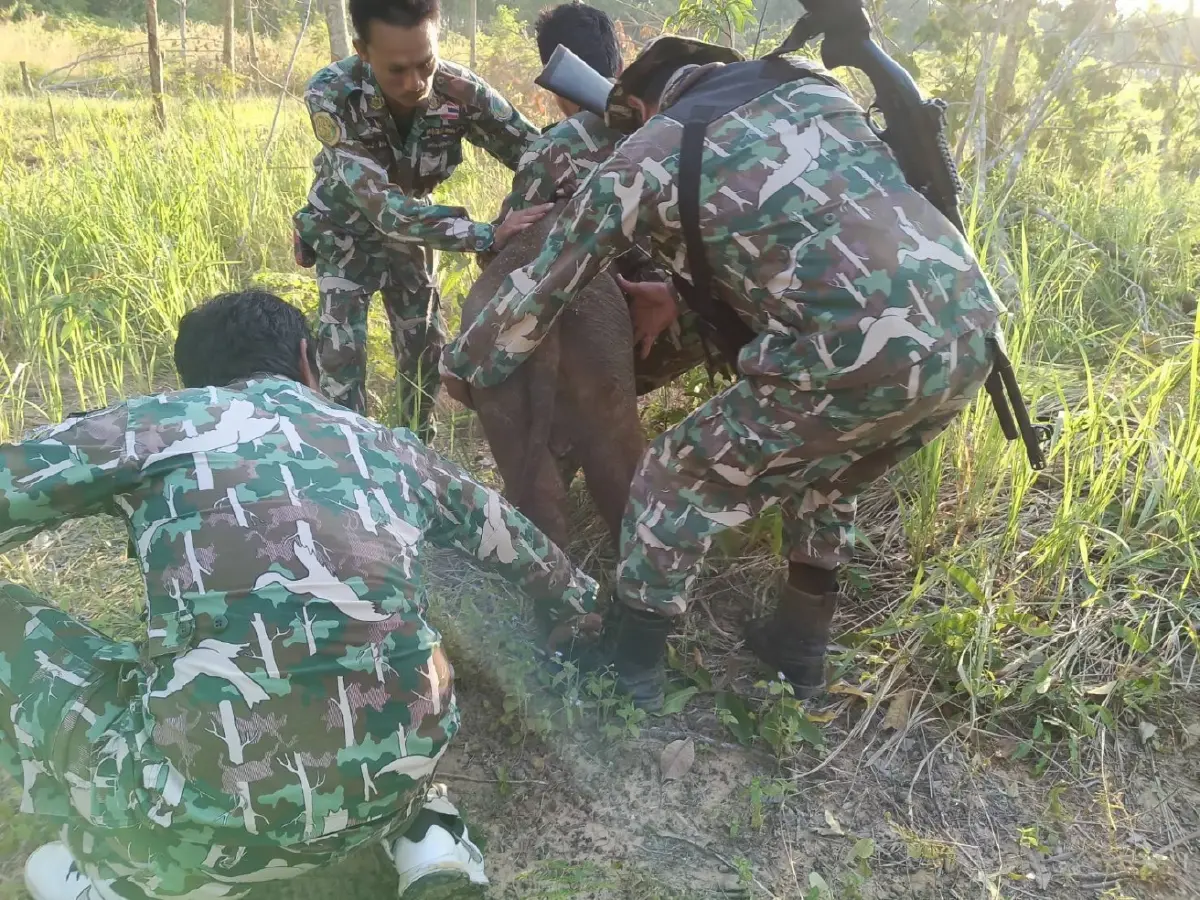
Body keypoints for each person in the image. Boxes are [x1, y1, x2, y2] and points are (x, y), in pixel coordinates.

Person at [441, 37, 1002, 710]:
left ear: (643, 105)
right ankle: (800, 639)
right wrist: (680, 296)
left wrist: (466, 362)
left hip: (854, 350)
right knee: (827, 459)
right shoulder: (808, 85)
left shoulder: (652, 146)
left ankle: (628, 670)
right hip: (969, 336)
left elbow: (542, 286)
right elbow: (816, 227)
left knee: (670, 478)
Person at [1, 290, 600, 900]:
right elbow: (517, 541)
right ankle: (425, 834)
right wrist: (579, 612)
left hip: (206, 818)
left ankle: (133, 874)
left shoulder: (152, 425)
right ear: (309, 362)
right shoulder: (384, 443)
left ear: (192, 382)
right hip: (399, 774)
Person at [293, 0, 553, 439]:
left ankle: (415, 448)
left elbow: (537, 152)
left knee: (422, 354)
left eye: (425, 63)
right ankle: (348, 458)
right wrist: (486, 234)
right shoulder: (330, 94)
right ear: (362, 50)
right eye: (397, 69)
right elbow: (382, 209)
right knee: (341, 361)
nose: (416, 82)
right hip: (344, 233)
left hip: (413, 233)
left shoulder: (460, 90)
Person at [484, 1, 710, 399]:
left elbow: (511, 258)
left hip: (619, 335)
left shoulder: (555, 148)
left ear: (553, 82)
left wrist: (490, 243)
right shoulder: (676, 120)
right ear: (620, 64)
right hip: (703, 318)